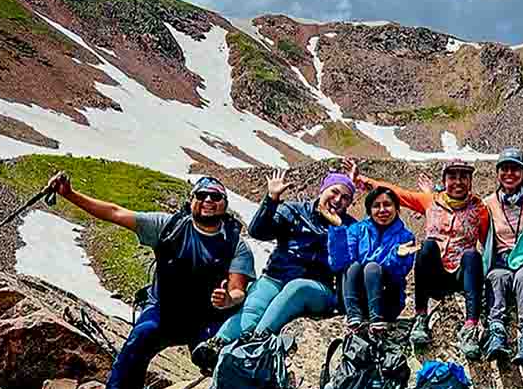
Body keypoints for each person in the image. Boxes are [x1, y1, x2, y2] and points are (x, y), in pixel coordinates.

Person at [46, 172, 253, 389]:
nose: (208, 200)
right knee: (141, 338)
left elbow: (239, 291)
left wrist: (227, 300)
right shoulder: (168, 227)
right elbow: (115, 212)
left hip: (208, 318)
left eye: (215, 196)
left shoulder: (235, 243)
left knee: (224, 357)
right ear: (192, 200)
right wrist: (70, 195)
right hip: (164, 310)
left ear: (224, 205)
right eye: (202, 195)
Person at [191, 169, 356, 371]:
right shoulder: (295, 211)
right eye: (334, 192)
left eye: (346, 198)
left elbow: (344, 262)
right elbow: (257, 231)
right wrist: (271, 199)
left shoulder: (349, 227)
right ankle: (216, 344)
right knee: (255, 304)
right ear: (323, 189)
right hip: (276, 276)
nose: (338, 200)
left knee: (297, 288)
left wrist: (337, 227)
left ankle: (256, 340)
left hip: (318, 288)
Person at [347, 158, 489, 360]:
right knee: (428, 245)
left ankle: (470, 328)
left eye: (463, 177)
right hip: (434, 275)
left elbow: (487, 243)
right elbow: (397, 194)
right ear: (444, 180)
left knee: (472, 255)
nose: (458, 182)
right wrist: (360, 180)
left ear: (470, 180)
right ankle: (421, 316)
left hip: (460, 276)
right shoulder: (431, 201)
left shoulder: (480, 209)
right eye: (452, 176)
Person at [481, 148, 523, 365]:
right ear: (497, 173)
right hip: (502, 259)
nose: (509, 173)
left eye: (515, 169)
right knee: (496, 278)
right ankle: (497, 335)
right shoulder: (489, 203)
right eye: (504, 169)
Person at [326, 186, 416, 337]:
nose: (382, 210)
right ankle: (354, 317)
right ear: (369, 210)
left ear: (396, 208)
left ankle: (377, 320)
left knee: (372, 268)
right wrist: (338, 230)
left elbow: (400, 273)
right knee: (354, 266)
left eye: (387, 205)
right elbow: (338, 264)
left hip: (386, 301)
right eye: (376, 206)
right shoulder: (356, 230)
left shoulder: (405, 238)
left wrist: (396, 257)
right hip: (355, 298)